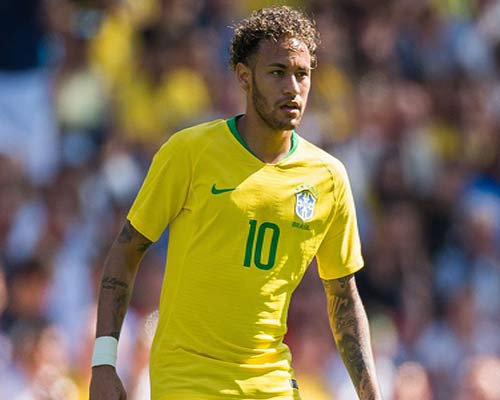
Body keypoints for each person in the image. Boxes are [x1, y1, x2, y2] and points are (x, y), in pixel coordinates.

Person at [90, 6, 382, 400]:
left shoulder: (328, 177)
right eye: (277, 72)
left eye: (302, 74)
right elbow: (125, 253)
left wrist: (371, 393)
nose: (292, 87)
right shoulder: (189, 152)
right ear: (244, 77)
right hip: (187, 382)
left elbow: (343, 297)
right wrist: (104, 363)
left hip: (271, 383)